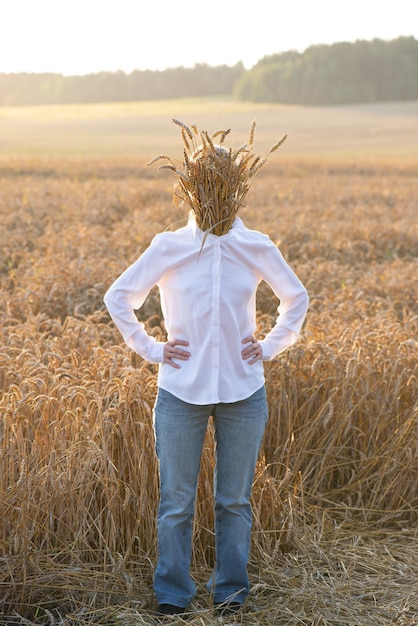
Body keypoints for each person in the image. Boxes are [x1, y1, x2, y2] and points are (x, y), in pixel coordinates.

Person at [103, 119, 309, 618]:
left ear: (234, 186)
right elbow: (119, 296)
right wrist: (153, 349)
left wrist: (271, 344)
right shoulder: (169, 246)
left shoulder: (255, 244)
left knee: (234, 501)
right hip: (179, 392)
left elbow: (296, 297)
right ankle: (173, 594)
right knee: (176, 502)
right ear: (191, 186)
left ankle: (231, 593)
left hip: (243, 391)